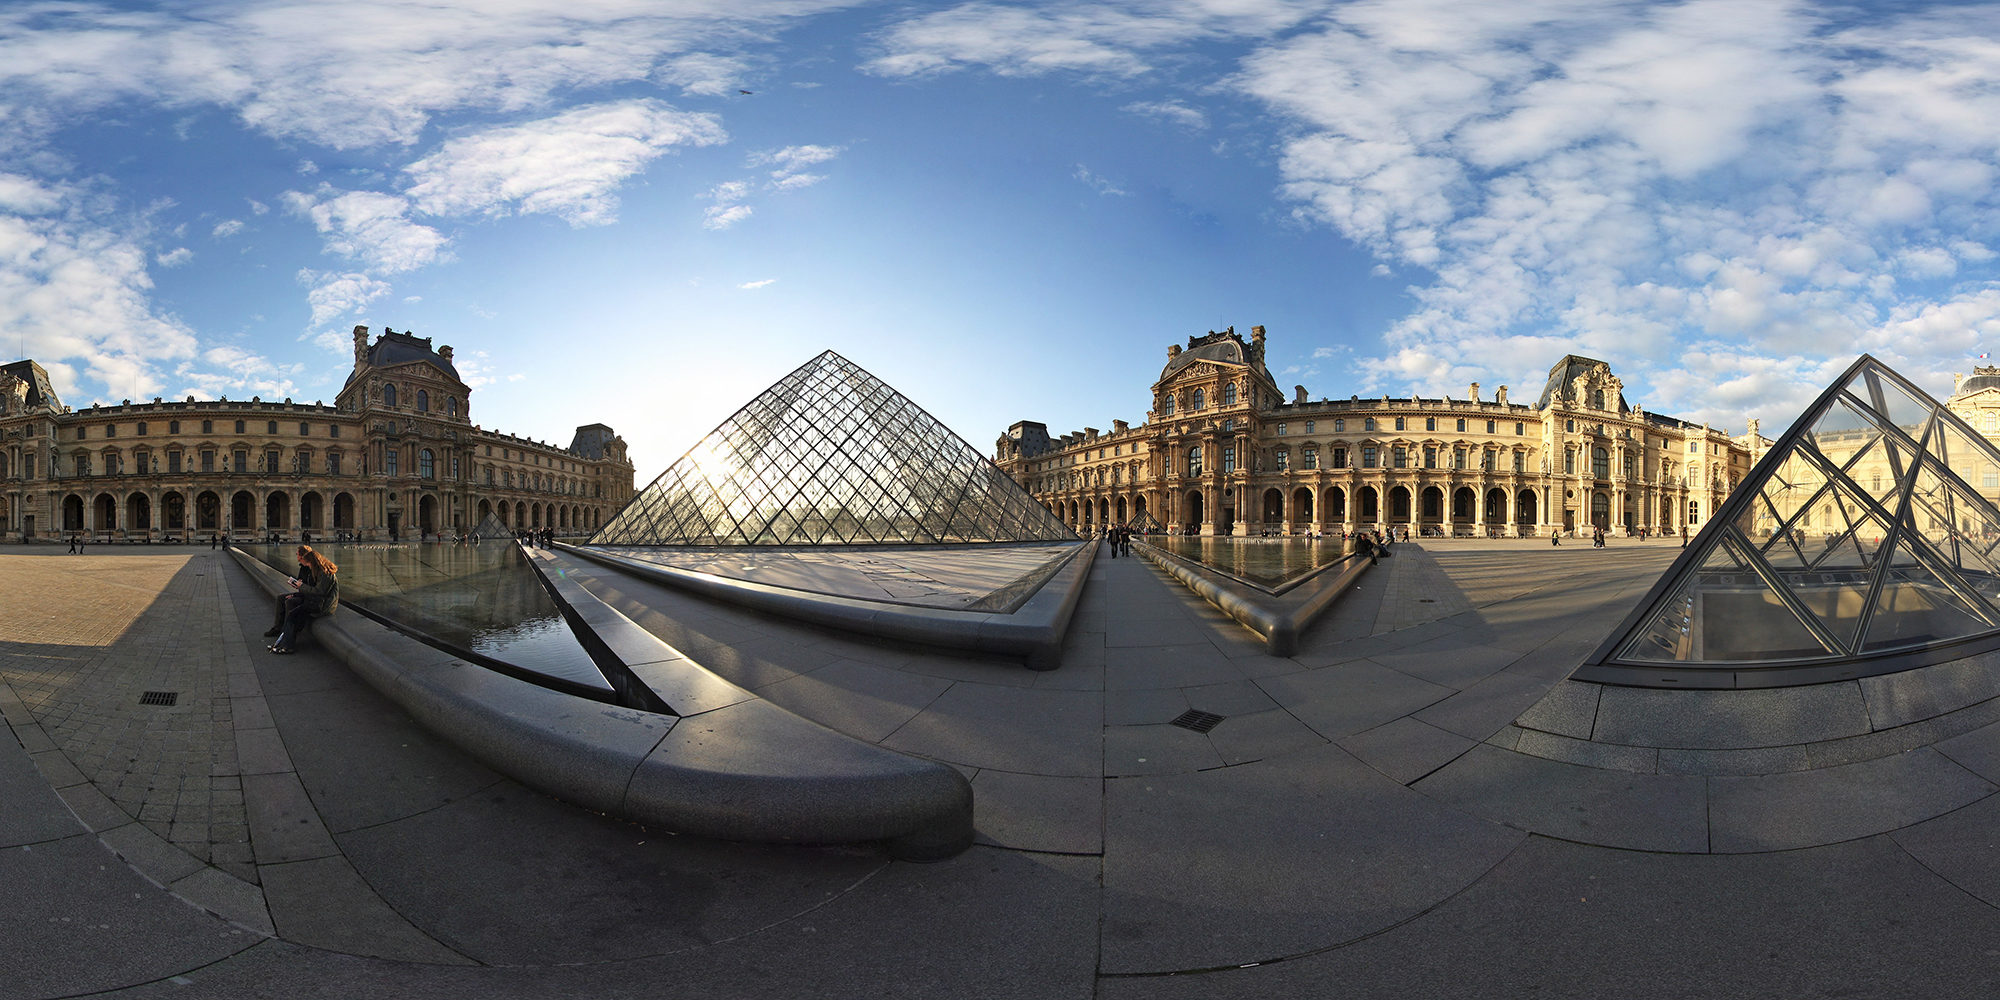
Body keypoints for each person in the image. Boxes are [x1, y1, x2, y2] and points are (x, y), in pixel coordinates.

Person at [270, 545, 339, 654]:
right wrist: (299, 590)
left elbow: (319, 591)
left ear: (313, 562)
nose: (308, 567)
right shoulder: (318, 571)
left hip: (323, 606)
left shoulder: (325, 573)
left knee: (294, 615)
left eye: (308, 564)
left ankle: (287, 644)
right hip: (315, 602)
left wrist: (301, 586)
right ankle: (284, 643)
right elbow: (313, 591)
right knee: (293, 614)